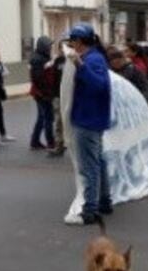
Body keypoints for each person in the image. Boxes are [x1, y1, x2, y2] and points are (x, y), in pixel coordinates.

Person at [66, 24, 113, 225]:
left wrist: (80, 67)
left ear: (79, 41)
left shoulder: (92, 59)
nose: (70, 45)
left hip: (88, 120)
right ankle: (104, 200)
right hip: (92, 118)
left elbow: (99, 86)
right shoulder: (94, 57)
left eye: (72, 41)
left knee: (90, 166)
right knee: (98, 161)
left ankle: (90, 210)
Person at [29, 36, 56, 151]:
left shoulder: (41, 57)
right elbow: (39, 79)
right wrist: (46, 93)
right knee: (48, 118)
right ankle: (51, 142)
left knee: (41, 117)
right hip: (42, 93)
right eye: (49, 45)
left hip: (40, 92)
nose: (50, 48)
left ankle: (35, 141)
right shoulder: (39, 60)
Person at [48, 48, 68, 157]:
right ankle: (59, 145)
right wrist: (53, 95)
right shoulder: (58, 61)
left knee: (71, 122)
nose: (63, 50)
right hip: (58, 95)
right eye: (61, 47)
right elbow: (54, 78)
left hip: (71, 95)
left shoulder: (73, 60)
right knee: (58, 121)